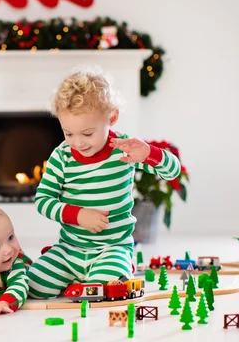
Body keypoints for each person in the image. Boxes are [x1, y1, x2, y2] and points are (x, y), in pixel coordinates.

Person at [28, 69, 181, 299]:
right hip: (70, 250)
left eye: (87, 133)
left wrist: (150, 153)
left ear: (111, 118)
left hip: (112, 248)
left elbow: (172, 171)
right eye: (68, 133)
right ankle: (74, 276)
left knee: (102, 288)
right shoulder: (62, 156)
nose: (78, 142)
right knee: (34, 286)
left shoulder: (124, 149)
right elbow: (43, 201)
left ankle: (113, 271)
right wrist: (77, 215)